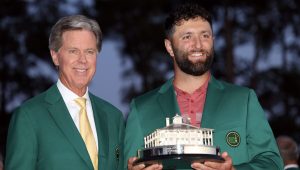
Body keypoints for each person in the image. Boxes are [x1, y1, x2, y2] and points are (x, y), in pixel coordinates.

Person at [124, 3, 283, 170]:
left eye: (205, 35)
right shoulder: (142, 108)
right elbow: (126, 165)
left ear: (213, 41)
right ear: (170, 46)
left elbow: (272, 162)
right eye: (187, 37)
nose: (198, 45)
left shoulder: (244, 100)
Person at [5, 15, 124, 170]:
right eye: (73, 51)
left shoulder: (114, 117)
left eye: (89, 51)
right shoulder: (29, 116)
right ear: (55, 56)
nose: (83, 60)